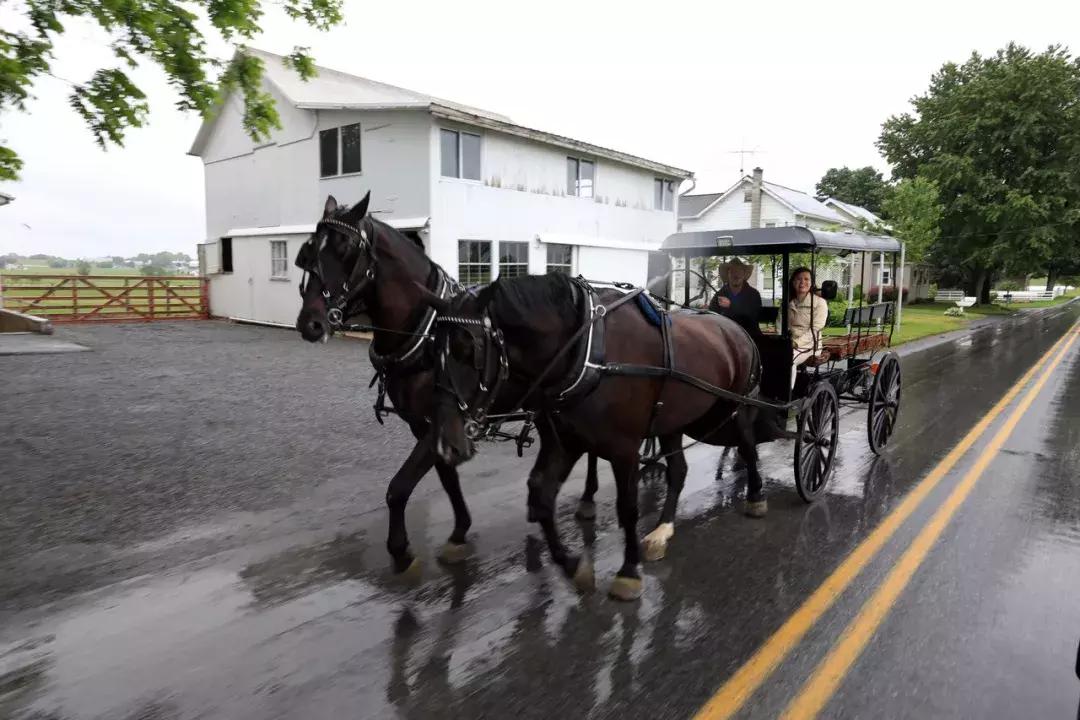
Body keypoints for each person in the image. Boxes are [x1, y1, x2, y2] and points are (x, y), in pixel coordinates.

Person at [788, 266, 830, 387]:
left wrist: (796, 343)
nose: (802, 282)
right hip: (788, 343)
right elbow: (780, 324)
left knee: (788, 359)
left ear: (811, 283)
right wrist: (784, 340)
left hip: (810, 345)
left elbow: (816, 329)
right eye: (798, 279)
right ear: (793, 282)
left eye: (806, 279)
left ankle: (787, 395)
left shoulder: (819, 303)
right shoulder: (788, 303)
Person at [708, 257, 762, 333]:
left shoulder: (753, 294)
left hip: (749, 336)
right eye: (732, 271)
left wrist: (731, 306)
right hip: (725, 335)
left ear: (744, 275)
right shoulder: (720, 294)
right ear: (728, 275)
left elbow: (752, 317)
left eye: (739, 271)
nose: (736, 275)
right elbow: (712, 314)